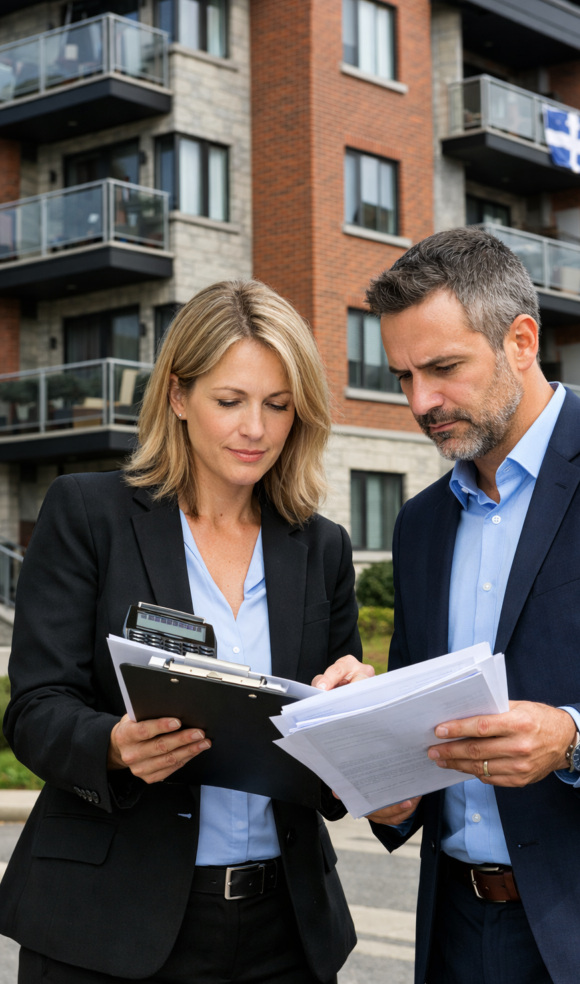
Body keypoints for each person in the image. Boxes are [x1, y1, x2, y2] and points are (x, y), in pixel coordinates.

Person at [315, 227, 580, 984]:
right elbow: (423, 717)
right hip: (455, 930)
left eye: (443, 368)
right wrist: (385, 783)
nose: (421, 402)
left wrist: (574, 738)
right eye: (402, 376)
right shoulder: (419, 522)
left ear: (520, 340)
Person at [0, 280, 372, 984]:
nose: (254, 429)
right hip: (106, 926)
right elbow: (34, 710)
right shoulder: (89, 514)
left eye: (278, 405)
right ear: (177, 397)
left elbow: (327, 773)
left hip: (282, 932)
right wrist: (112, 746)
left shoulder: (320, 548)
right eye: (229, 401)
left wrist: (353, 716)